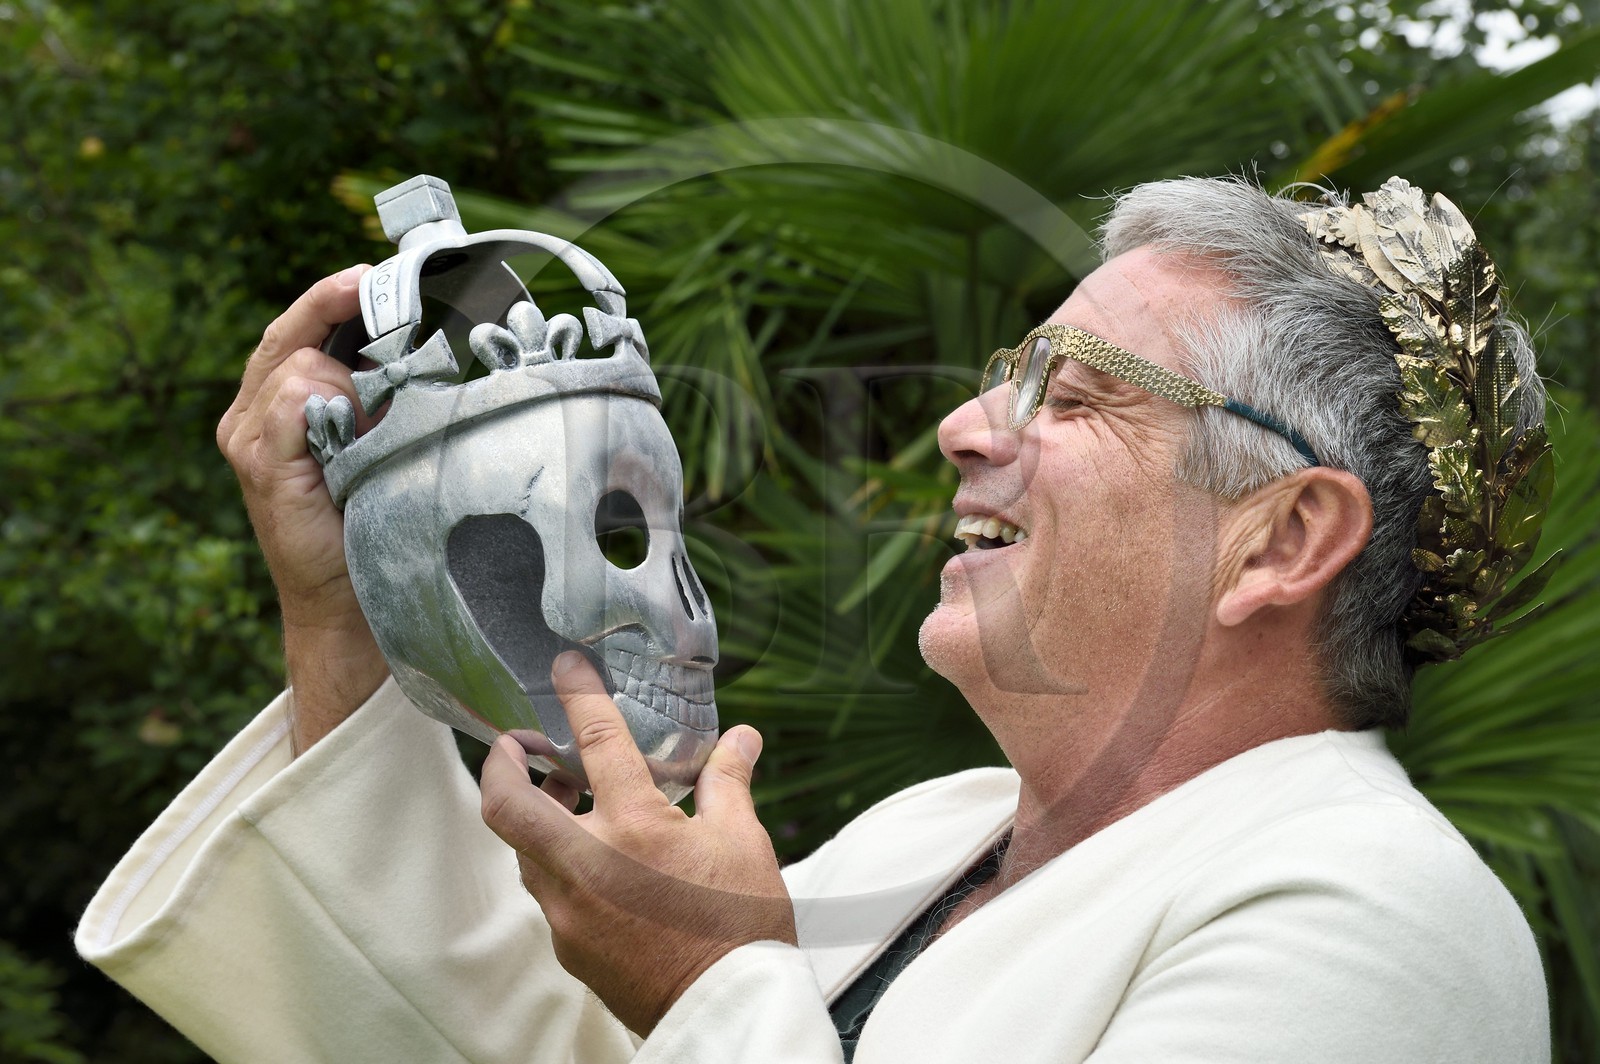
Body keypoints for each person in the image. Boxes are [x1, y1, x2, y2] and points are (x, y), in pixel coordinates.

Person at [76, 176, 1551, 1063]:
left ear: (1279, 537)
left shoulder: (1380, 912)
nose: (969, 426)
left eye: (1076, 391)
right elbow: (480, 1038)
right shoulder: (937, 834)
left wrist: (713, 984)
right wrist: (342, 608)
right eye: (1006, 372)